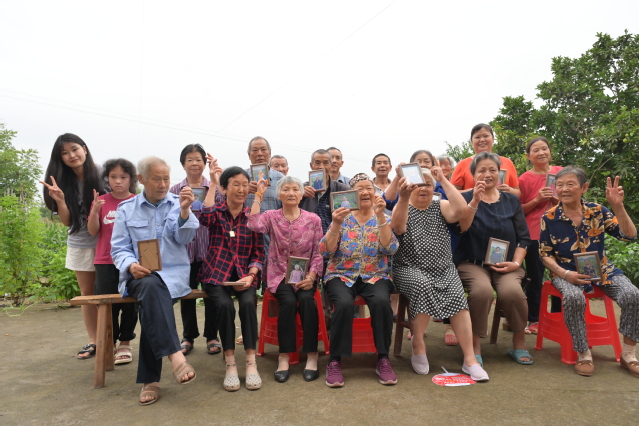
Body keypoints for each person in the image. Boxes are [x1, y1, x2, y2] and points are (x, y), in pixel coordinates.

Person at [111, 156, 198, 405]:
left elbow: (185, 239)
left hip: (172, 276)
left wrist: (184, 211)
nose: (163, 184)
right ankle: (176, 356)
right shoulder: (126, 209)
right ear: (141, 179)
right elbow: (119, 248)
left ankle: (151, 381)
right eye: (157, 179)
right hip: (139, 276)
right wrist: (131, 265)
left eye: (166, 179)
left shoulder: (178, 202)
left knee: (152, 300)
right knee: (150, 288)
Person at [391, 167, 489, 381]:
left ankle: (470, 359)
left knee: (457, 295)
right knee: (422, 285)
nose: (423, 188)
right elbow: (397, 228)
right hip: (409, 268)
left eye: (427, 184)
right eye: (417, 184)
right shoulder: (403, 205)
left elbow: (461, 211)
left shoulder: (440, 205)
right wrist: (403, 197)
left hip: (443, 267)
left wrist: (443, 179)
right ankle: (418, 343)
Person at [539, 167, 639, 377]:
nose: (564, 189)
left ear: (584, 187)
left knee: (632, 294)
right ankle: (584, 354)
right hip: (565, 271)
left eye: (570, 184)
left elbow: (629, 236)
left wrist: (618, 206)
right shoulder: (549, 217)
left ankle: (629, 355)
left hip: (601, 268)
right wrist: (565, 274)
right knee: (574, 298)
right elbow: (545, 255)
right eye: (560, 185)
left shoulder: (598, 211)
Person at [320, 173, 399, 387]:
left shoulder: (384, 217)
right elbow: (325, 250)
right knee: (344, 304)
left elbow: (390, 248)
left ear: (375, 192)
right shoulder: (342, 216)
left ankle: (383, 358)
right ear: (351, 195)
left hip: (375, 275)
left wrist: (381, 218)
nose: (365, 192)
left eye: (368, 188)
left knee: (382, 303)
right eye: (359, 189)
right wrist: (336, 224)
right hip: (341, 274)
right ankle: (335, 360)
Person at [454, 152, 533, 366]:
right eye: (482, 170)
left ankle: (519, 342)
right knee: (482, 291)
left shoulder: (511, 201)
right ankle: (474, 346)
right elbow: (460, 229)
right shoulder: (465, 198)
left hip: (506, 263)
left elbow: (524, 238)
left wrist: (516, 263)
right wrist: (475, 199)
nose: (488, 174)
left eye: (493, 170)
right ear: (473, 175)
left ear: (500, 173)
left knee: (512, 292)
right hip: (472, 262)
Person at [248, 175, 324, 383]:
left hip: (306, 274)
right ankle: (284, 356)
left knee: (307, 301)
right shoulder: (271, 216)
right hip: (279, 273)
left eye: (295, 189)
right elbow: (253, 225)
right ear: (279, 194)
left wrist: (312, 276)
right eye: (286, 189)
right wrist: (258, 196)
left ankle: (312, 355)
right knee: (288, 302)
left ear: (301, 194)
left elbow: (319, 252)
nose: (291, 193)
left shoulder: (313, 219)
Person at [198, 160, 264, 391]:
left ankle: (251, 363)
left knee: (247, 305)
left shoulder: (251, 216)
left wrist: (251, 276)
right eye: (235, 184)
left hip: (244, 276)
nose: (241, 189)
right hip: (216, 274)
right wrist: (213, 183)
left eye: (245, 184)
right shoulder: (216, 212)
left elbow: (258, 252)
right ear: (225, 189)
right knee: (225, 307)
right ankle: (230, 364)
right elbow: (204, 217)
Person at [41, 133, 103, 360]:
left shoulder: (103, 174)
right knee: (87, 294)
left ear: (84, 149)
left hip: (107, 243)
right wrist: (59, 200)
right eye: (64, 153)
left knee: (111, 293)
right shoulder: (62, 181)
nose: (71, 155)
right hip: (81, 244)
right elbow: (68, 222)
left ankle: (114, 341)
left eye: (74, 149)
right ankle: (94, 341)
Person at [169, 144, 222, 356]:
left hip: (210, 250)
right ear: (183, 164)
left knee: (212, 294)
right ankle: (188, 336)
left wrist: (217, 181)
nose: (194, 163)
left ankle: (212, 336)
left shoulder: (214, 187)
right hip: (184, 251)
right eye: (189, 159)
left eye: (198, 159)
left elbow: (221, 212)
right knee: (186, 294)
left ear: (205, 163)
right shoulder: (175, 190)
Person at [87, 158, 138, 365]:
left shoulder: (137, 201)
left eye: (123, 177)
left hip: (131, 261)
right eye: (113, 177)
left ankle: (125, 343)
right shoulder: (100, 201)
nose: (118, 181)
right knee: (108, 304)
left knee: (130, 303)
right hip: (105, 261)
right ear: (107, 179)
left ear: (131, 179)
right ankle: (110, 342)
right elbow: (93, 231)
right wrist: (94, 211)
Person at [518, 136, 563, 334]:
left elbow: (575, 201)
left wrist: (556, 200)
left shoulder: (561, 173)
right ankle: (534, 319)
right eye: (536, 150)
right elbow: (518, 211)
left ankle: (558, 317)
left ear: (550, 151)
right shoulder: (523, 179)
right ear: (529, 156)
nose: (541, 153)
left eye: (544, 148)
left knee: (561, 277)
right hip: (534, 234)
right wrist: (537, 200)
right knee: (535, 278)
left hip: (562, 233)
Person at [450, 123, 521, 198]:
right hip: (472, 205)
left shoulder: (507, 162)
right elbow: (451, 193)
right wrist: (472, 191)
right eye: (477, 137)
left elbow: (518, 193)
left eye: (486, 136)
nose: (482, 140)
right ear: (471, 142)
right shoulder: (462, 164)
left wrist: (509, 190)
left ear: (493, 139)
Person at [299, 149, 350, 234]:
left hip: (333, 237)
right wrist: (300, 195)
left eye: (326, 163)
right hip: (307, 238)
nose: (321, 167)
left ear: (331, 165)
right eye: (317, 163)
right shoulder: (300, 189)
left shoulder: (343, 189)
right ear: (311, 165)